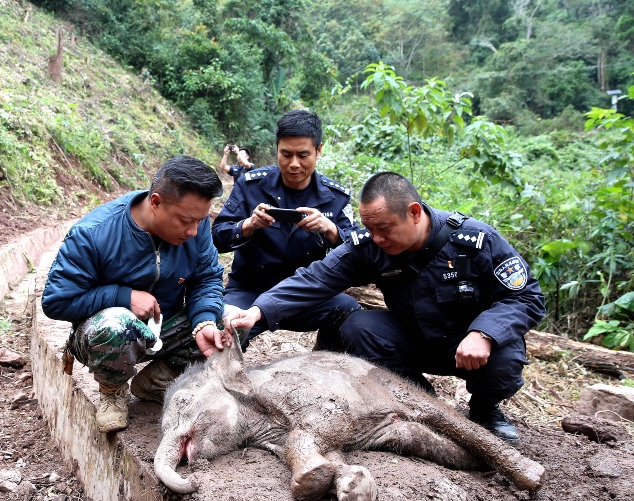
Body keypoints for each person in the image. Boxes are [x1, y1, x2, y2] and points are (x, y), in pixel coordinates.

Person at [228, 171, 546, 443]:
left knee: (506, 355)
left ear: (415, 212)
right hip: (413, 338)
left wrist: (485, 333)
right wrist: (259, 311)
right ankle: (424, 403)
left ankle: (485, 409)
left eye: (385, 229)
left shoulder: (475, 240)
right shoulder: (372, 244)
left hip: (469, 346)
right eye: (371, 228)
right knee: (356, 326)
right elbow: (316, 279)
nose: (377, 238)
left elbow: (527, 297)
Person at [41, 156, 227, 433]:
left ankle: (158, 379)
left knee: (230, 322)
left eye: (201, 220)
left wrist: (204, 322)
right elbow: (57, 301)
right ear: (155, 202)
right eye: (186, 220)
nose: (194, 231)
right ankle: (112, 389)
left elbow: (207, 278)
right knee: (114, 323)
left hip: (163, 327)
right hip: (105, 337)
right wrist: (123, 296)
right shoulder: (93, 234)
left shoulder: (195, 230)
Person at [212, 109, 360, 348]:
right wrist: (248, 225)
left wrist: (330, 229)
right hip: (250, 290)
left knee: (350, 312)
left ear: (318, 150)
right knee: (226, 329)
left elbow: (357, 253)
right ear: (277, 149)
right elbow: (217, 237)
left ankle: (322, 370)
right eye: (286, 154)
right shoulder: (251, 185)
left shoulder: (336, 197)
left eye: (303, 155)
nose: (294, 164)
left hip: (304, 294)